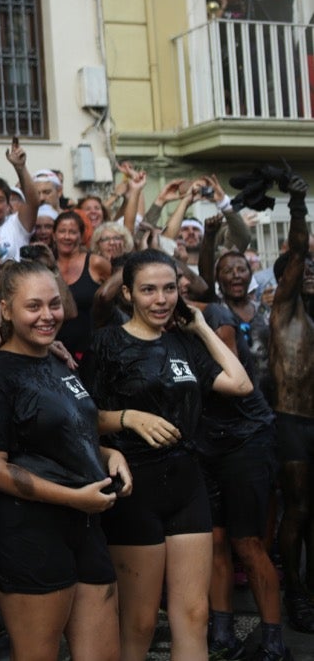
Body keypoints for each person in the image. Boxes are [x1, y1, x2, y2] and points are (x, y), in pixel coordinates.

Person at [91, 250, 253, 660]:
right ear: (128, 293)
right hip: (134, 490)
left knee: (195, 613)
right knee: (141, 621)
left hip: (187, 484)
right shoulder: (108, 342)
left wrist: (200, 327)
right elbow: (80, 417)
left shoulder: (184, 341)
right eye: (148, 290)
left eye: (169, 289)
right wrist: (127, 418)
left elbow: (240, 384)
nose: (161, 299)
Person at [0, 260, 130, 661]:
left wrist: (109, 453)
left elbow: (68, 433)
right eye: (34, 307)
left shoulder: (57, 360)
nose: (48, 316)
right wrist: (72, 497)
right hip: (30, 533)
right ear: (6, 308)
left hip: (85, 524)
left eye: (54, 304)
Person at [196, 250, 288, 660]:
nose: (163, 298)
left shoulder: (216, 316)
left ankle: (273, 640)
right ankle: (222, 633)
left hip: (246, 440)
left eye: (173, 289)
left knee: (247, 543)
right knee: (214, 542)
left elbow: (228, 380)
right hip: (206, 444)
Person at [267, 176, 314, 633]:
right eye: (304, 270)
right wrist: (298, 204)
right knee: (297, 509)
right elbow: (300, 251)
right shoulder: (285, 310)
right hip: (292, 422)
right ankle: (295, 593)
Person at [54, 211, 111, 366]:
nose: (66, 237)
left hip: (92, 352)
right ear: (54, 235)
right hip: (55, 350)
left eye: (72, 232)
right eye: (62, 231)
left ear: (81, 236)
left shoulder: (96, 263)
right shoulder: (46, 265)